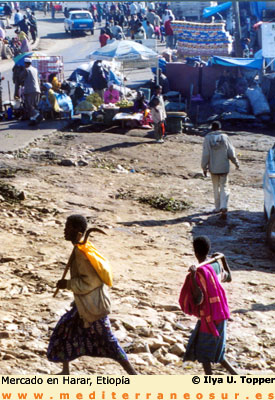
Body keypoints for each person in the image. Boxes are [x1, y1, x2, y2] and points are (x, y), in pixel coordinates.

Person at [47, 214, 137, 375]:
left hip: (94, 308)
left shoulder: (82, 253)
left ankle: (133, 374)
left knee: (109, 343)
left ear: (77, 230)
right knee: (64, 330)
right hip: (84, 305)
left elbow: (91, 282)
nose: (64, 230)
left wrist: (67, 284)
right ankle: (65, 370)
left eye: (68, 227)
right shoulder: (81, 248)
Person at [179, 236, 237, 375]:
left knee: (204, 353)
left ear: (195, 252)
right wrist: (223, 260)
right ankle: (237, 376)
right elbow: (228, 277)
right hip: (221, 313)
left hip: (210, 317)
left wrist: (192, 277)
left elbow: (199, 299)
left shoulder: (199, 272)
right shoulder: (215, 265)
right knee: (217, 352)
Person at [201, 121, 240, 219]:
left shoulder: (207, 138)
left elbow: (205, 154)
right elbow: (231, 152)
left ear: (211, 128)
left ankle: (217, 208)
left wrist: (204, 167)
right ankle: (224, 206)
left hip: (213, 168)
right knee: (224, 187)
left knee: (215, 188)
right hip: (224, 167)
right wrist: (236, 163)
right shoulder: (225, 137)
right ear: (220, 128)